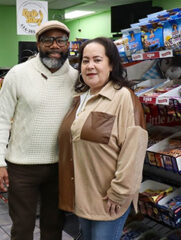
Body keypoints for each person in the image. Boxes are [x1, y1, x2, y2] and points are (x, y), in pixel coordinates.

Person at [58, 37, 148, 240]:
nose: (90, 66)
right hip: (84, 198)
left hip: (110, 198)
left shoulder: (123, 97)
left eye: (97, 60)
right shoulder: (80, 99)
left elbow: (133, 150)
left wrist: (119, 192)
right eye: (85, 60)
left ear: (111, 64)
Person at [0, 20, 78, 239]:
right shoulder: (17, 74)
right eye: (48, 40)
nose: (55, 46)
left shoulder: (76, 78)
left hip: (60, 166)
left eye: (60, 40)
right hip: (22, 167)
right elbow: (2, 119)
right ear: (38, 43)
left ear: (67, 44)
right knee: (22, 228)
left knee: (54, 228)